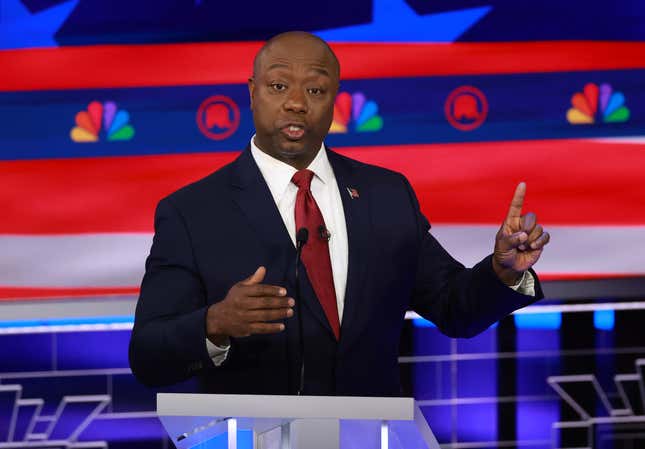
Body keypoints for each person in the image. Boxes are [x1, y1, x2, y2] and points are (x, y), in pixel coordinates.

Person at [128, 31, 550, 396]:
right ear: (252, 92)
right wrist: (215, 323)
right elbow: (148, 355)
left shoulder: (386, 194)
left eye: (314, 90)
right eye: (278, 87)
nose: (296, 103)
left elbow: (455, 308)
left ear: (335, 101)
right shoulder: (192, 212)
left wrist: (503, 272)